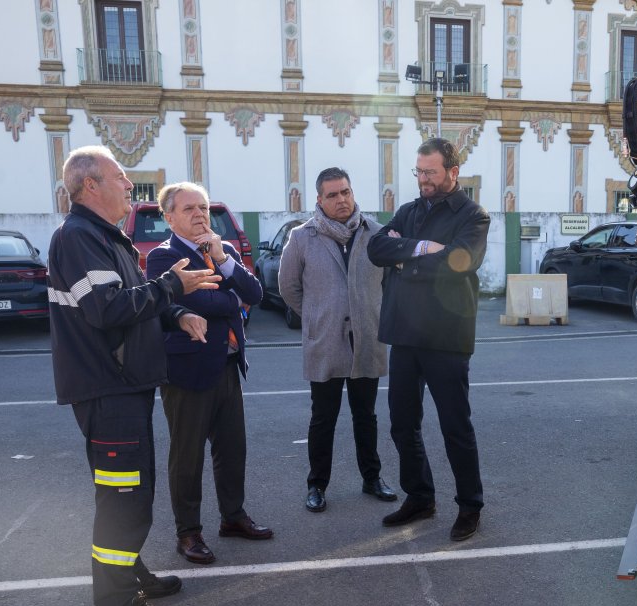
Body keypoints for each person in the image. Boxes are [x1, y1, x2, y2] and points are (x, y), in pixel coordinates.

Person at [48, 145, 219, 606]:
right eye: (121, 177)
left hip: (122, 385)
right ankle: (118, 605)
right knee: (124, 497)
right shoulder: (79, 237)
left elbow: (131, 302)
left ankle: (128, 572)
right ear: (90, 186)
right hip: (108, 388)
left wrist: (178, 313)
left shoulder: (106, 238)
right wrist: (172, 288)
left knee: (130, 492)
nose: (130, 186)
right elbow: (107, 310)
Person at [366, 138, 490, 541]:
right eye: (419, 172)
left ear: (453, 172)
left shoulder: (473, 216)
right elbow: (376, 247)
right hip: (404, 334)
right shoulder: (409, 211)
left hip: (445, 337)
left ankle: (470, 505)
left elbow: (460, 262)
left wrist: (406, 262)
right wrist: (417, 248)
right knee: (403, 424)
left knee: (455, 426)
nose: (423, 180)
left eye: (430, 173)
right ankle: (420, 496)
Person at [146, 182, 273, 564]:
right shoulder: (161, 258)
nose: (199, 214)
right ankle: (188, 532)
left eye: (202, 207)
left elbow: (255, 294)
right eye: (188, 209)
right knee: (187, 456)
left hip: (229, 365)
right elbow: (200, 300)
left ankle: (233, 517)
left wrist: (221, 259)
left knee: (232, 450)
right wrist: (230, 297)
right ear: (169, 217)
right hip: (186, 369)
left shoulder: (225, 249)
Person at [278, 168, 397, 512]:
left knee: (367, 416)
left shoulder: (375, 233)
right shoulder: (303, 237)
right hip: (325, 341)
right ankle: (317, 485)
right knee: (322, 418)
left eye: (345, 191)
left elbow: (389, 284)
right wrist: (317, 316)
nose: (341, 199)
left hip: (367, 341)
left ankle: (372, 478)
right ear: (319, 200)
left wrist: (372, 314)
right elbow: (289, 288)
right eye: (332, 195)